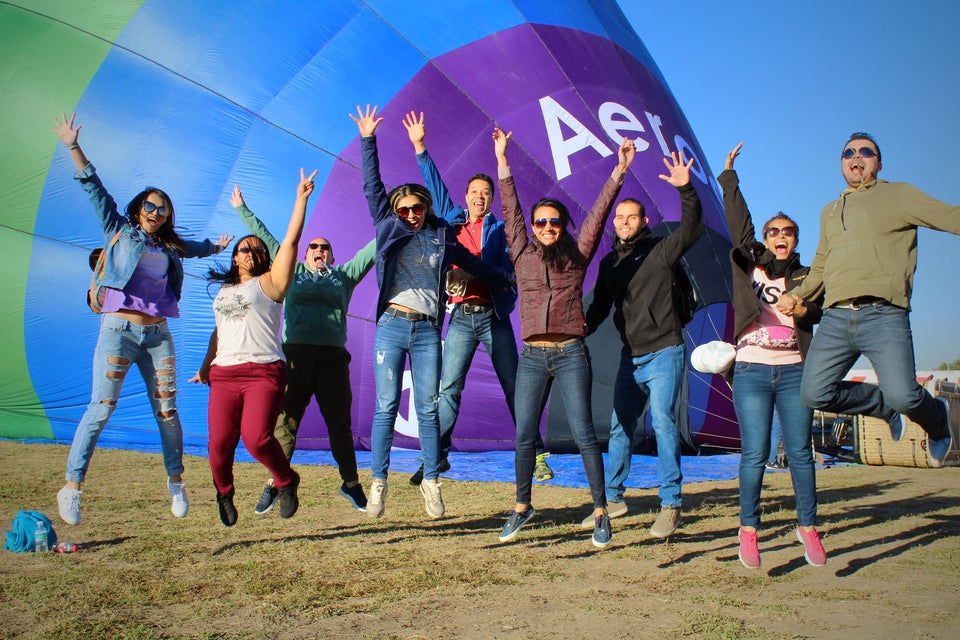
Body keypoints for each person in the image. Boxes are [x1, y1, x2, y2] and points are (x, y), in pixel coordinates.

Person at [51, 112, 231, 526]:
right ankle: (72, 486)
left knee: (167, 410)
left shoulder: (168, 246)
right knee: (102, 406)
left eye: (163, 210)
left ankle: (176, 483)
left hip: (157, 336)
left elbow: (192, 247)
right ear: (138, 210)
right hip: (118, 330)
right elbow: (94, 189)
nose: (156, 212)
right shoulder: (119, 230)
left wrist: (216, 248)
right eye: (151, 206)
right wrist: (73, 145)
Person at [350, 104, 512, 520]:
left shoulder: (443, 234)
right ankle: (379, 484)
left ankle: (431, 482)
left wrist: (510, 278)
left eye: (415, 209)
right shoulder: (389, 228)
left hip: (426, 331)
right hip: (391, 324)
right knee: (386, 407)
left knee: (427, 407)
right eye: (402, 210)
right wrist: (369, 139)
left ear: (425, 209)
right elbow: (373, 188)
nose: (409, 215)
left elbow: (477, 266)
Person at [778, 132, 959, 468]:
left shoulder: (899, 195)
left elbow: (950, 217)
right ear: (842, 164)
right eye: (848, 153)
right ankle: (881, 407)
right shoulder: (830, 211)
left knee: (904, 395)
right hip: (835, 317)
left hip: (883, 313)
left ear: (878, 163)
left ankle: (935, 418)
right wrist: (797, 293)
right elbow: (820, 266)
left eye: (866, 152)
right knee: (813, 393)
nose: (856, 157)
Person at [495, 126, 635, 549]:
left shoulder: (577, 252)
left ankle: (600, 511)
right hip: (534, 355)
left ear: (562, 226)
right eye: (541, 222)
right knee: (523, 434)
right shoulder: (520, 250)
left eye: (555, 221)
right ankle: (522, 507)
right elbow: (511, 207)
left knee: (583, 433)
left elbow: (596, 215)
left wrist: (619, 172)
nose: (547, 226)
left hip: (572, 352)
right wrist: (503, 160)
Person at [401, 111, 553, 486]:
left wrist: (475, 273)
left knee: (514, 386)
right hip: (461, 319)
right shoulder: (452, 222)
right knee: (448, 389)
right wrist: (420, 146)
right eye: (475, 193)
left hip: (493, 317)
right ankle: (436, 459)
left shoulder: (502, 232)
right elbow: (433, 185)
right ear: (466, 197)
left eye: (486, 194)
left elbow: (509, 274)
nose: (480, 198)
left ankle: (537, 456)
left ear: (490, 200)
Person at [232, 185, 376, 514]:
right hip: (295, 357)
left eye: (325, 247)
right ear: (305, 253)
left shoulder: (345, 275)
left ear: (333, 256)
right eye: (313, 247)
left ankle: (350, 483)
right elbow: (269, 240)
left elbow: (374, 246)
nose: (318, 250)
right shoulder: (293, 272)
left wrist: (396, 217)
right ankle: (276, 482)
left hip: (332, 360)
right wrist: (242, 208)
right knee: (285, 422)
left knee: (338, 423)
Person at [582, 151, 704, 539]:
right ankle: (614, 497)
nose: (623, 223)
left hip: (665, 349)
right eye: (618, 218)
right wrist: (574, 332)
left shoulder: (660, 249)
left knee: (665, 424)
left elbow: (693, 227)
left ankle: (671, 505)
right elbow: (599, 307)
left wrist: (686, 188)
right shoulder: (609, 264)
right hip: (629, 357)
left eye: (630, 217)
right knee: (620, 429)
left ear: (644, 221)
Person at [191, 168, 318, 526]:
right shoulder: (223, 292)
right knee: (219, 444)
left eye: (258, 249)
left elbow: (291, 243)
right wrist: (204, 369)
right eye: (244, 249)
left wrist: (300, 199)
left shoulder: (272, 283)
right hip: (224, 374)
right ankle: (224, 492)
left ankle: (285, 480)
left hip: (263, 370)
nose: (251, 252)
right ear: (235, 257)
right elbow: (218, 335)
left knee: (257, 439)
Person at [720, 142, 826, 569]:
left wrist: (802, 307)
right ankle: (749, 530)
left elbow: (820, 308)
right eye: (773, 232)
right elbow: (738, 225)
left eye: (788, 232)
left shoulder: (808, 275)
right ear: (765, 239)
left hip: (795, 370)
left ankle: (808, 526)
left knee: (801, 451)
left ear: (796, 240)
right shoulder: (752, 265)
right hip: (751, 369)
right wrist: (729, 176)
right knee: (755, 453)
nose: (780, 237)